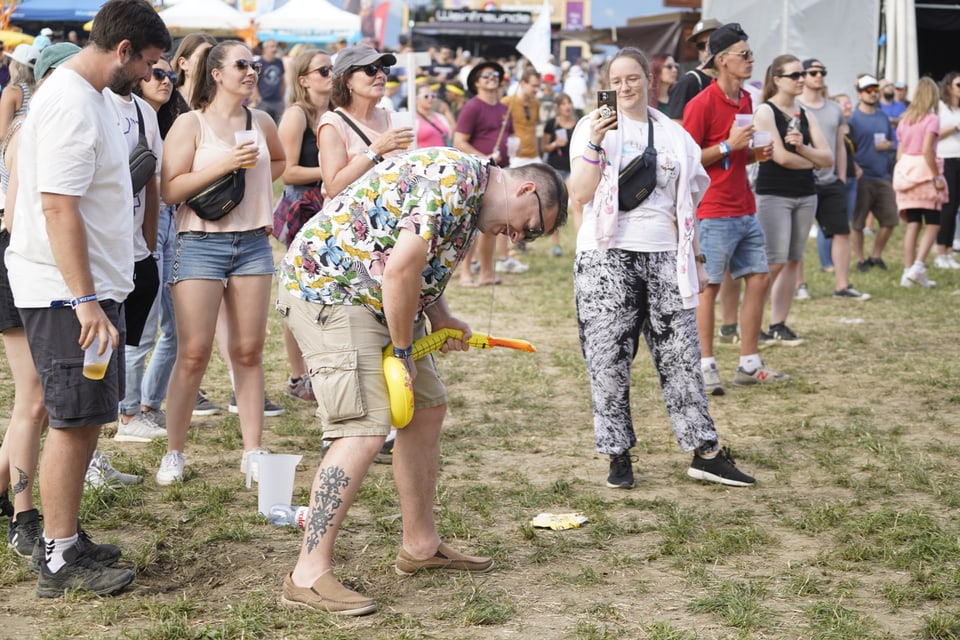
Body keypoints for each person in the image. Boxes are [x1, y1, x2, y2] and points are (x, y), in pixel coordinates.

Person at [276, 146, 568, 614]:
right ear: (526, 188)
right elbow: (401, 270)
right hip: (332, 289)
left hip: (377, 293)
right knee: (365, 428)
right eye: (529, 226)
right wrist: (405, 350)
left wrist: (443, 316)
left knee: (427, 408)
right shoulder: (454, 182)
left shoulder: (471, 201)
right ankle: (306, 574)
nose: (517, 237)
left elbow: (417, 269)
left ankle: (420, 546)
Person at [4, 0, 170, 598]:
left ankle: (66, 535)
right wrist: (85, 300)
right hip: (65, 294)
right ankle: (57, 558)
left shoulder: (95, 96)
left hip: (90, 287)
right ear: (123, 50)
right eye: (148, 62)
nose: (152, 74)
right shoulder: (71, 101)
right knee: (73, 422)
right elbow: (57, 207)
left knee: (88, 416)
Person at [568, 46, 755, 491]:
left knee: (682, 356)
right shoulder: (592, 128)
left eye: (632, 78)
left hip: (665, 254)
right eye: (615, 81)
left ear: (648, 80)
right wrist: (594, 141)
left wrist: (697, 261)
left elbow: (685, 205)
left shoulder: (672, 134)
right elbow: (579, 192)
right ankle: (617, 453)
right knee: (607, 360)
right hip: (606, 256)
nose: (624, 87)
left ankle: (705, 452)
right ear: (606, 86)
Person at [158, 41, 285, 486]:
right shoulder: (189, 124)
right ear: (216, 73)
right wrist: (227, 165)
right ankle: (174, 451)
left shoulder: (262, 121)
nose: (252, 72)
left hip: (252, 244)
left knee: (248, 351)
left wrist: (248, 191)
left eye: (254, 65)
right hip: (199, 243)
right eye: (242, 65)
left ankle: (253, 449)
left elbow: (281, 159)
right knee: (193, 353)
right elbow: (170, 191)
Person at [317, 44, 413, 464]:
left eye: (383, 68)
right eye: (369, 69)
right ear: (345, 79)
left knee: (388, 329)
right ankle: (339, 425)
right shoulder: (332, 123)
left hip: (389, 240)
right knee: (350, 338)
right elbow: (334, 184)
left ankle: (387, 420)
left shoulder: (393, 117)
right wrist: (378, 150)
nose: (380, 74)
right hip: (348, 246)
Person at [682, 23, 788, 395]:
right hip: (713, 210)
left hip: (744, 204)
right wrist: (728, 146)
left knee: (759, 278)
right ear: (721, 61)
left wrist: (755, 153)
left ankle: (748, 362)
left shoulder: (746, 100)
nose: (751, 59)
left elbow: (737, 157)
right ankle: (705, 365)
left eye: (750, 53)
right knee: (708, 288)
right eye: (744, 54)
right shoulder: (701, 104)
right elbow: (688, 161)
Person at [753, 54, 833, 345]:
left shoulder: (804, 113)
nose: (801, 79)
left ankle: (778, 323)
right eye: (795, 75)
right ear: (777, 80)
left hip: (805, 194)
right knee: (772, 262)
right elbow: (782, 159)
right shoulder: (765, 111)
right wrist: (813, 160)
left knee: (792, 260)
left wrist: (807, 152)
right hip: (774, 194)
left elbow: (828, 157)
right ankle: (752, 324)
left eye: (803, 75)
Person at [129, 58, 189, 430]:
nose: (166, 81)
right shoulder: (127, 115)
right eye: (158, 73)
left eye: (171, 76)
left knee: (178, 326)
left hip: (171, 223)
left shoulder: (170, 120)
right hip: (143, 227)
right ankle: (128, 411)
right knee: (144, 325)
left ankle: (149, 404)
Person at [108, 62, 165, 443]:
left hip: (137, 252)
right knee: (97, 353)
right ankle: (121, 418)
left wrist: (146, 246)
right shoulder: (95, 103)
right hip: (100, 255)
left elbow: (152, 186)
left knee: (133, 340)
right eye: (151, 63)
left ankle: (125, 416)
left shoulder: (145, 113)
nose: (153, 73)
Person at [274, 47, 333, 402]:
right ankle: (299, 376)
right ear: (304, 79)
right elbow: (286, 170)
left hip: (330, 206)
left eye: (333, 70)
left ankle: (321, 369)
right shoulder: (297, 115)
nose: (331, 75)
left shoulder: (337, 114)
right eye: (323, 70)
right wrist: (333, 171)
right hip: (303, 208)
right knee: (300, 295)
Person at [797, 58, 869, 300]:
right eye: (813, 72)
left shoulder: (834, 109)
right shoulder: (795, 106)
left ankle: (842, 285)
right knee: (798, 236)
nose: (819, 76)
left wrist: (840, 176)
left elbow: (839, 146)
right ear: (803, 76)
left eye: (822, 72)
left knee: (841, 232)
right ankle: (799, 285)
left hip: (831, 181)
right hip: (803, 180)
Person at [454, 60, 514, 286]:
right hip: (477, 172)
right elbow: (459, 141)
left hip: (500, 172)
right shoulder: (473, 107)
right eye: (486, 75)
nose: (492, 78)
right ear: (476, 82)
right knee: (472, 226)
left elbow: (511, 136)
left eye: (495, 75)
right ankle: (466, 273)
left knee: (491, 225)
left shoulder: (504, 108)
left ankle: (487, 273)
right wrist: (483, 156)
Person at [893, 77, 945, 288]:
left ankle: (907, 271)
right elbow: (927, 149)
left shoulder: (904, 120)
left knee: (913, 223)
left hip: (906, 170)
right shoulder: (931, 119)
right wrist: (936, 176)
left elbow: (900, 152)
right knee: (933, 222)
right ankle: (918, 266)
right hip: (925, 170)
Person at [847, 75, 899, 272]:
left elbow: (892, 142)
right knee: (858, 223)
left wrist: (889, 145)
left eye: (875, 90)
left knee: (890, 220)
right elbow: (847, 148)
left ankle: (876, 256)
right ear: (860, 94)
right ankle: (861, 260)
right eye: (868, 90)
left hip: (882, 175)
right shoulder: (853, 119)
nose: (873, 94)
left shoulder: (882, 116)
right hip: (862, 178)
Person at [668, 18, 722, 123]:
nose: (707, 49)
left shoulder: (732, 80)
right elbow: (677, 128)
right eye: (701, 45)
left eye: (712, 43)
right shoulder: (689, 83)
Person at [543, 93, 576, 256]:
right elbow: (544, 147)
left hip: (572, 168)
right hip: (554, 169)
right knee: (556, 208)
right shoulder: (551, 124)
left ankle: (581, 244)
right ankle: (556, 245)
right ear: (558, 107)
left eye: (569, 102)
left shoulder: (578, 124)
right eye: (563, 103)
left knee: (577, 205)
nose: (567, 106)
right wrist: (556, 144)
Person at [934, 70, 960, 269]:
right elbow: (932, 134)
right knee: (948, 208)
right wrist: (955, 128)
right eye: (959, 85)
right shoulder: (940, 108)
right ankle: (940, 251)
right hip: (945, 159)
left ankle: (949, 251)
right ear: (949, 87)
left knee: (956, 207)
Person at [0, 43, 38, 140]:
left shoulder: (13, 91)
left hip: (16, 150)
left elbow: (2, 134)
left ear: (15, 65)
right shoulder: (41, 89)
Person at [254, 39, 285, 123]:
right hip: (264, 101)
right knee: (263, 125)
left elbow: (282, 80)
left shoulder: (279, 62)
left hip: (277, 101)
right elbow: (254, 82)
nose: (275, 49)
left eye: (276, 46)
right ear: (265, 48)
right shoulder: (258, 63)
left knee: (279, 126)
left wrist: (281, 96)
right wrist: (258, 97)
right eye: (272, 46)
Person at [414, 81, 452, 147]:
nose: (430, 98)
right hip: (423, 156)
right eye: (426, 96)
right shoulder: (413, 120)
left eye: (433, 96)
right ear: (416, 99)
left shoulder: (441, 117)